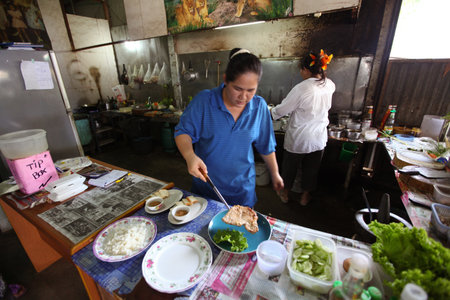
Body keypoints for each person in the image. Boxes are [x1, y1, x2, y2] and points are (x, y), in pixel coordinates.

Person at [175, 48, 284, 208]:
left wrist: (275, 174)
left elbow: (266, 145)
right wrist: (190, 156)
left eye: (250, 90)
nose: (243, 97)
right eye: (238, 89)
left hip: (242, 191)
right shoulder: (205, 101)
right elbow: (183, 132)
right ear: (225, 80)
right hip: (207, 189)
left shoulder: (259, 106)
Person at [271, 49, 335, 206]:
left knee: (290, 168)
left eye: (301, 69)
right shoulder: (330, 84)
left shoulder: (302, 88)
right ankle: (305, 197)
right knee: (311, 170)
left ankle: (285, 194)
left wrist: (268, 111)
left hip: (300, 138)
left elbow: (281, 110)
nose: (301, 72)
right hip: (318, 137)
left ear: (306, 69)